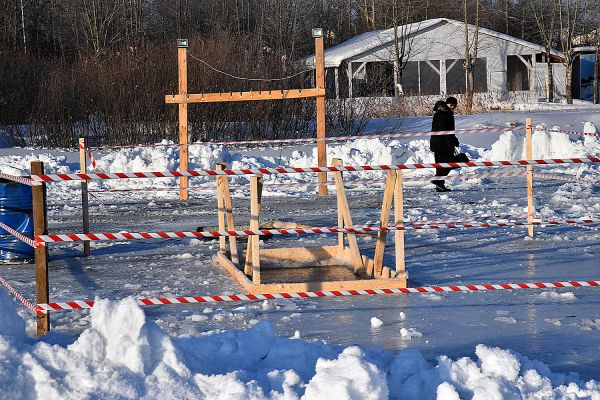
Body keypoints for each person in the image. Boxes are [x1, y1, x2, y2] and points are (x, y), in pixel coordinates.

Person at [430, 97, 459, 192]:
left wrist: (454, 139)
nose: (452, 107)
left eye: (454, 106)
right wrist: (452, 140)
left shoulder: (446, 113)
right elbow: (444, 130)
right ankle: (438, 180)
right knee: (448, 164)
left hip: (442, 143)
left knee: (442, 165)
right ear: (446, 104)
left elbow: (449, 130)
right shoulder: (443, 114)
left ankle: (439, 185)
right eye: (451, 105)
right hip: (441, 144)